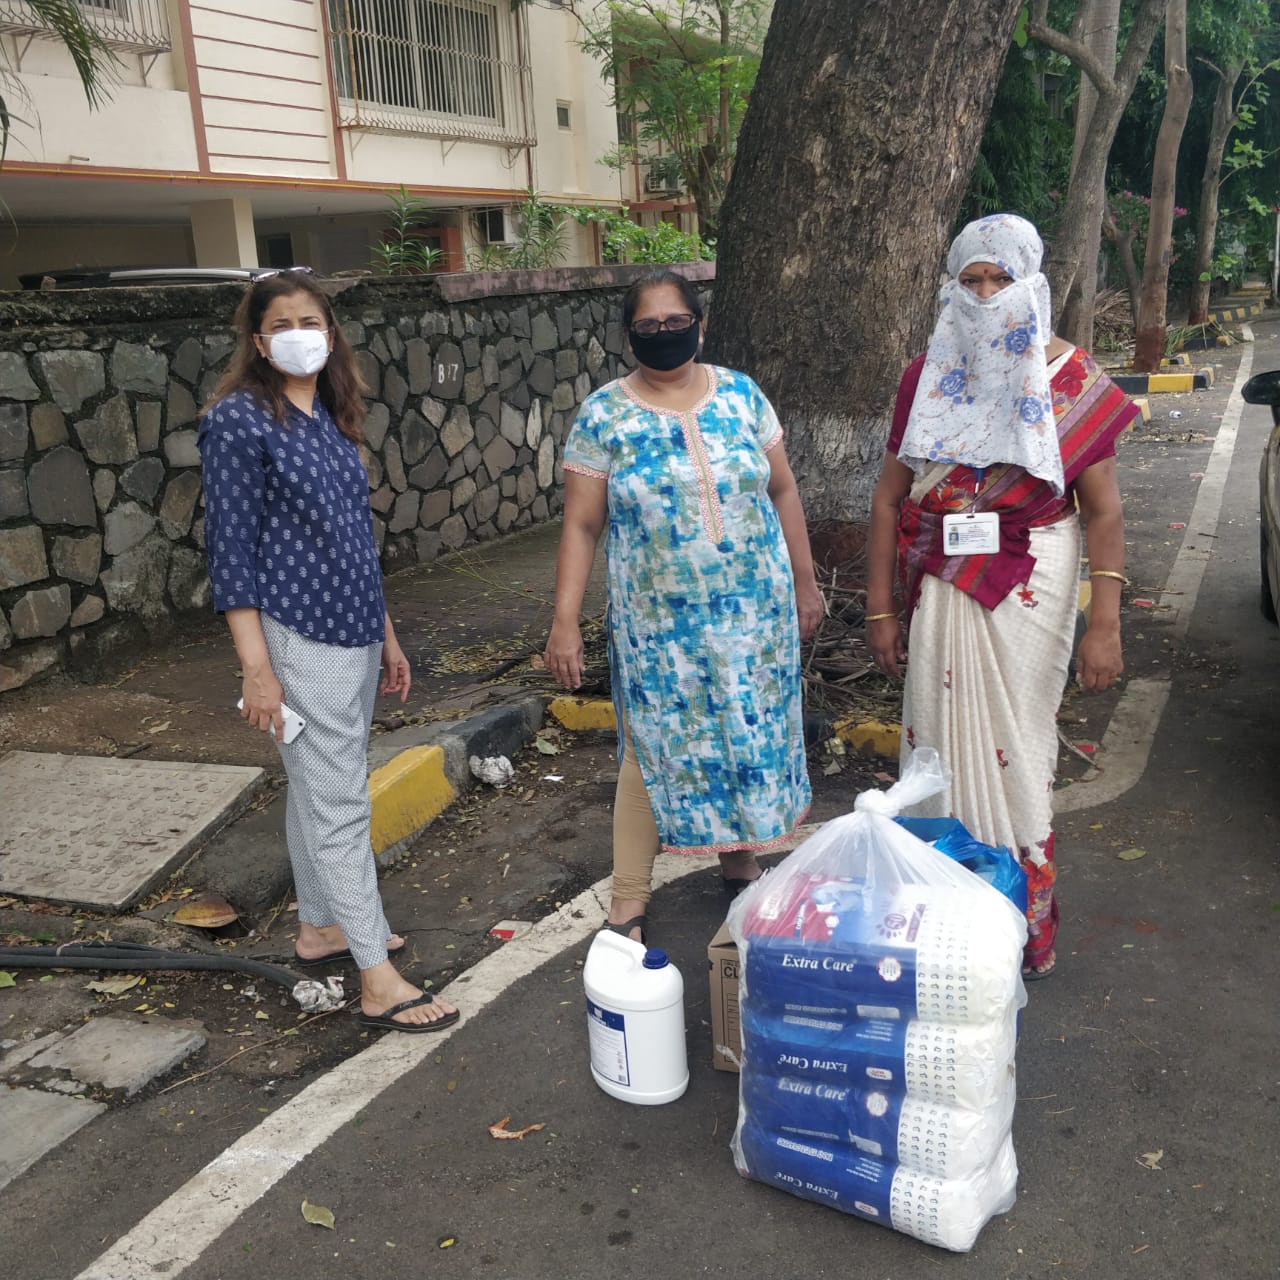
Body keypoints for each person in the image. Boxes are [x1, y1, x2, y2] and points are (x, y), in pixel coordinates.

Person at [865, 214, 1137, 981]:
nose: (985, 295)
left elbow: (1106, 512)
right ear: (952, 287)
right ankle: (947, 932)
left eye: (1000, 279)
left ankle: (1018, 929)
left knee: (1017, 750)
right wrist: (881, 611)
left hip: (1032, 581)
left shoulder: (1071, 381)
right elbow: (890, 499)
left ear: (1031, 284)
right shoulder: (926, 378)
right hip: (940, 588)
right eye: (971, 279)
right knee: (939, 747)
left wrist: (1105, 625)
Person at [198, 268, 459, 1033]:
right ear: (257, 340)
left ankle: (323, 928)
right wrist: (257, 671)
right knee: (339, 798)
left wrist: (387, 633)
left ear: (331, 332)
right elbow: (233, 557)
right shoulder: (239, 421)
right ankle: (377, 977)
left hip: (354, 630)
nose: (299, 335)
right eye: (282, 324)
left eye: (312, 320)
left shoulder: (330, 413)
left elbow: (351, 537)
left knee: (316, 785)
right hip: (297, 636)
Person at [544, 270, 824, 943]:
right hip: (658, 629)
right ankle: (628, 902)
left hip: (756, 617)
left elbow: (782, 490)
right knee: (652, 751)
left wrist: (806, 581)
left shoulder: (742, 397)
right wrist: (563, 622)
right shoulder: (605, 414)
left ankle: (742, 867)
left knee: (747, 735)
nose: (665, 335)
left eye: (677, 322)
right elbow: (583, 527)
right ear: (629, 334)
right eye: (650, 326)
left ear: (699, 324)